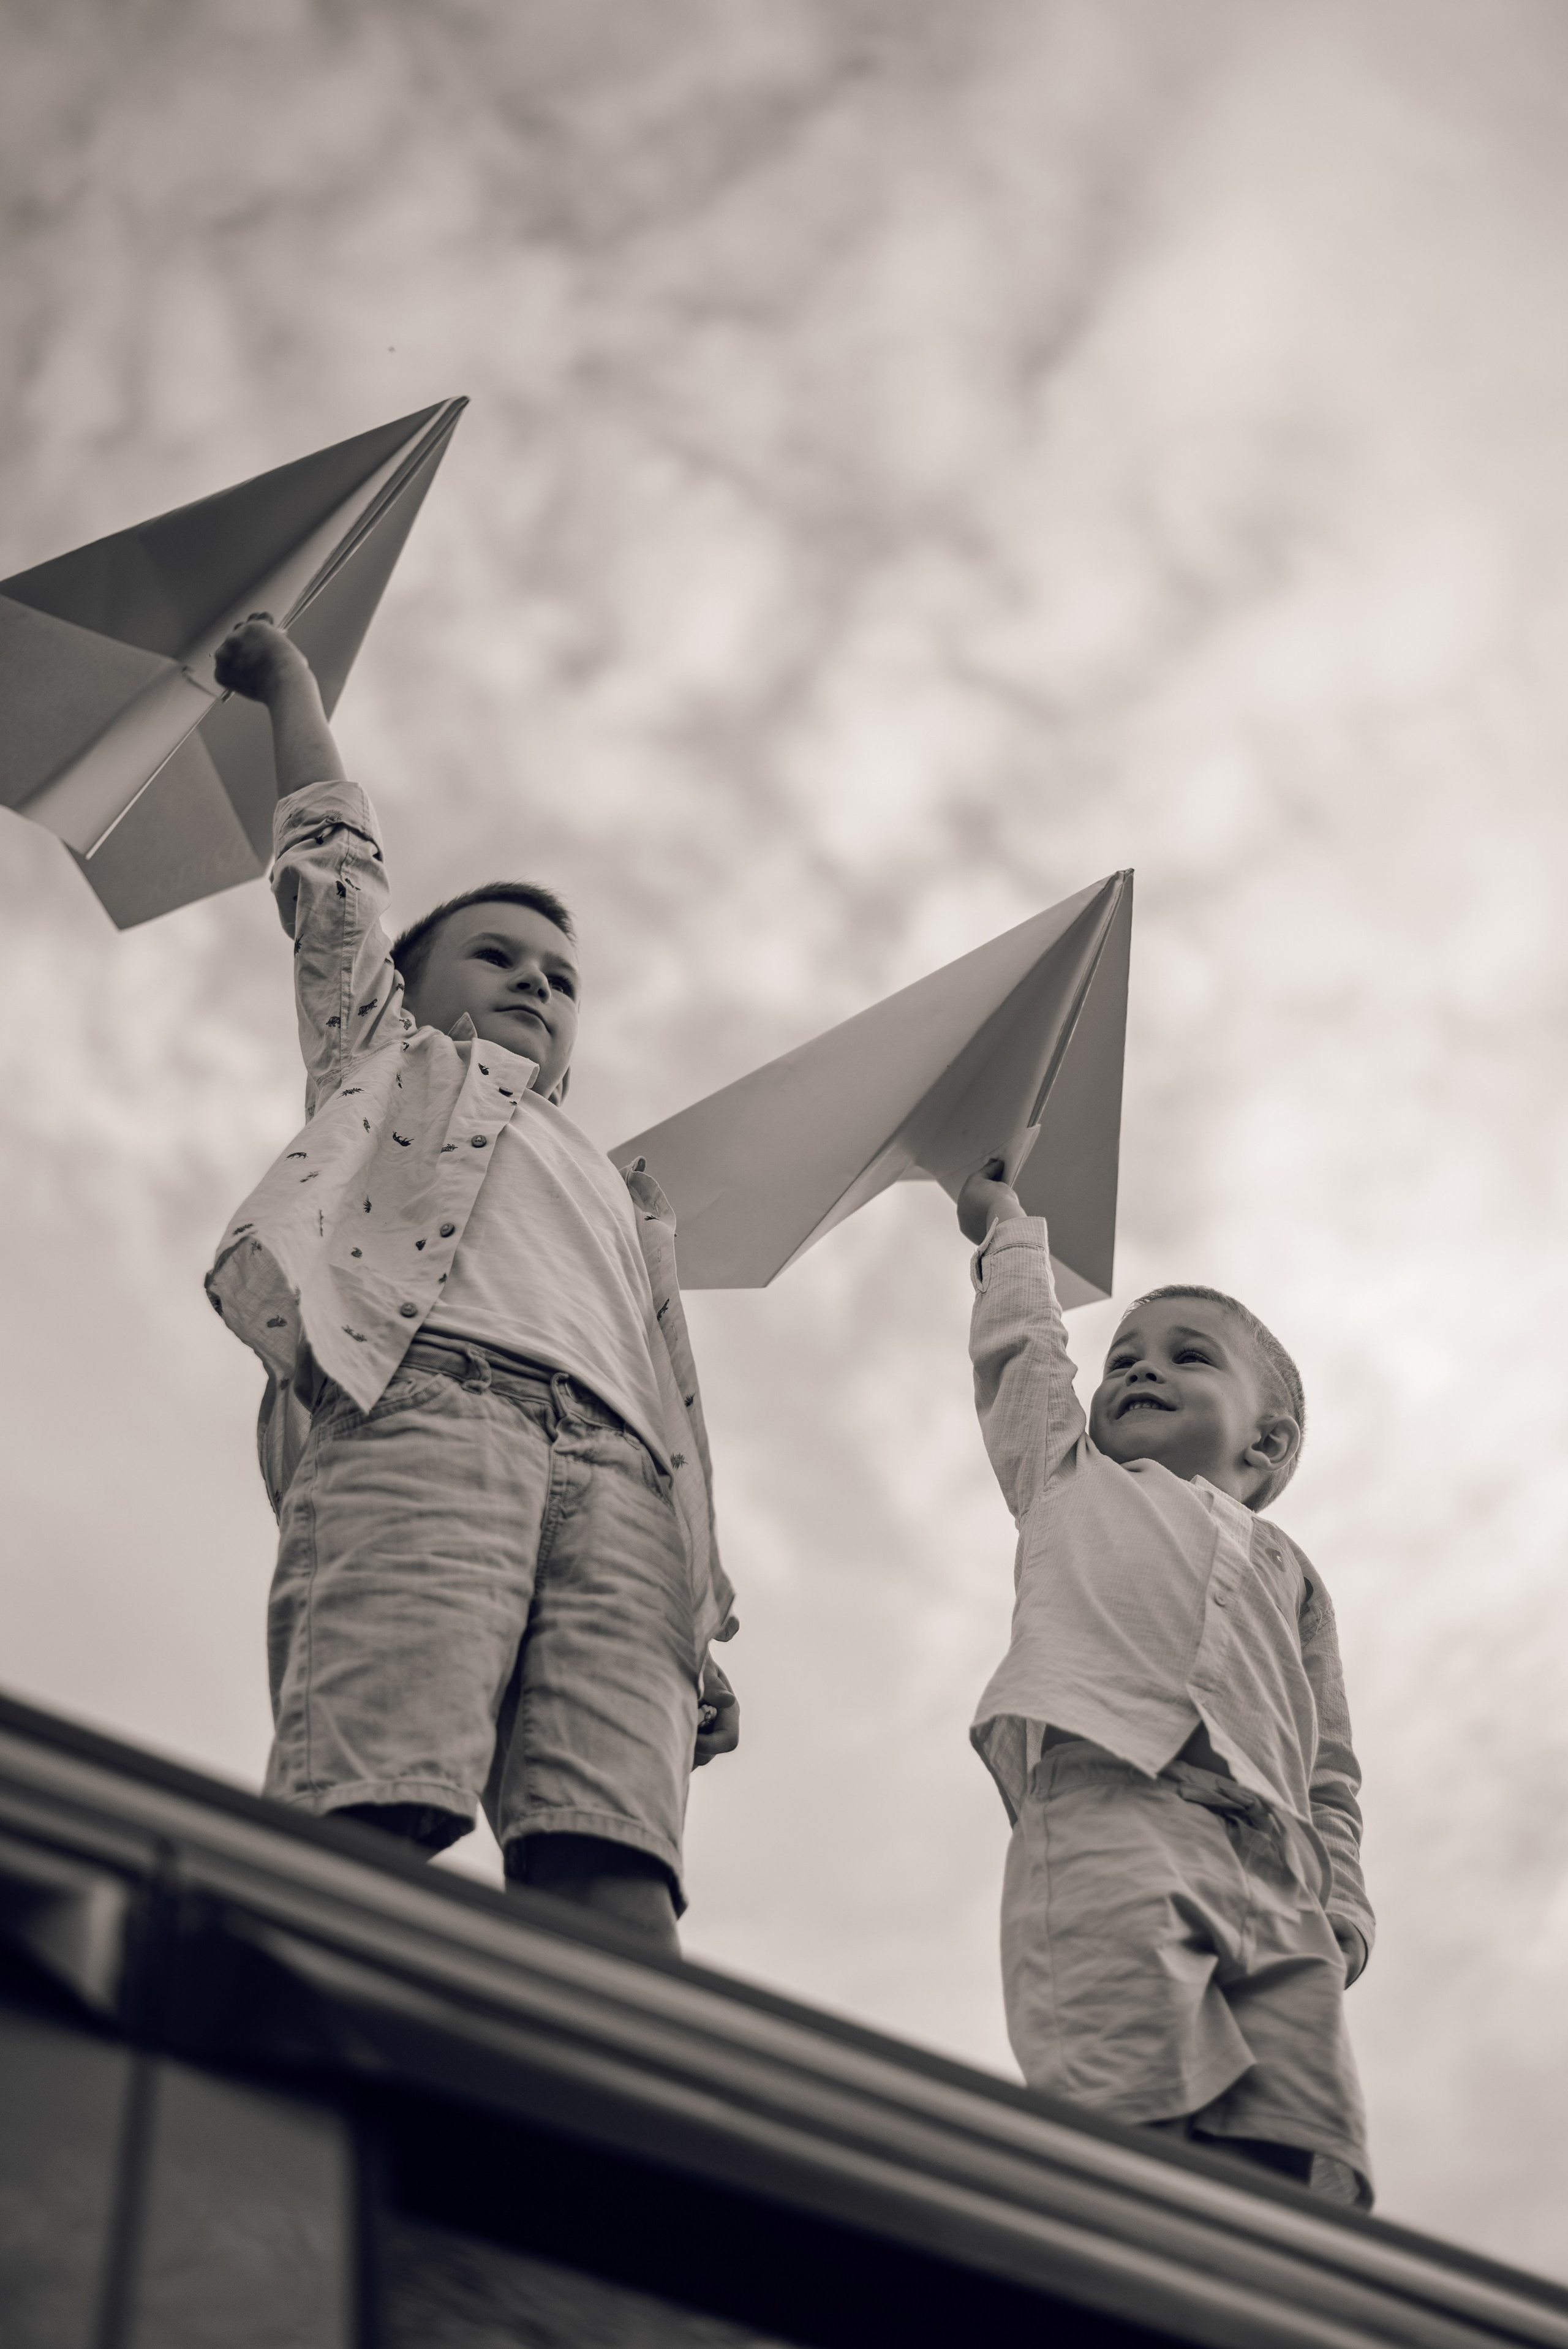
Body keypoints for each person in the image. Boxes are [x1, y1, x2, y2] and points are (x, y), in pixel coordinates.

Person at [205, 615, 737, 1956]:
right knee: (375, 1785)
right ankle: (286, 2095)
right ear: (402, 985)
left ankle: (605, 2142)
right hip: (431, 1419)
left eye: (561, 981)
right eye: (495, 957)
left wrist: (694, 1600)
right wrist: (290, 687)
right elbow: (334, 870)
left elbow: (672, 1402)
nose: (534, 986)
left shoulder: (624, 1200)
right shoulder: (393, 1065)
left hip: (619, 1488)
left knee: (610, 1856)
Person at [955, 1159, 1373, 2203]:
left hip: (1278, 1870)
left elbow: (1328, 1764)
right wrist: (1009, 1230)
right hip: (1112, 1811)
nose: (1138, 1371)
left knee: (1284, 2142)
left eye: (1189, 1358)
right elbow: (1028, 1354)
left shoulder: (1292, 1575)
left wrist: (1344, 1901)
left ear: (1266, 1443)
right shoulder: (1069, 1476)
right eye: (1123, 1359)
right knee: (1127, 2108)